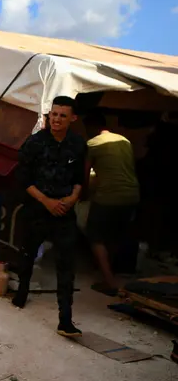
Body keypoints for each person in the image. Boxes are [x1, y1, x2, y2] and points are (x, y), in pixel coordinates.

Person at [12, 95, 87, 337]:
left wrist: (73, 197)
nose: (56, 119)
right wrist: (47, 202)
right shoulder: (35, 143)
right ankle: (21, 294)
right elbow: (23, 179)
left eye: (62, 115)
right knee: (27, 256)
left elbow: (79, 179)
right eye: (53, 114)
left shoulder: (77, 144)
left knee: (66, 266)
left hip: (64, 213)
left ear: (72, 118)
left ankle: (65, 320)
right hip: (37, 209)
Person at [82, 112, 140, 295]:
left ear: (90, 128)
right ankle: (108, 272)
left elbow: (85, 175)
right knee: (114, 236)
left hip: (108, 196)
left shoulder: (92, 144)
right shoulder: (124, 141)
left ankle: (109, 282)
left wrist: (82, 194)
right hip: (131, 195)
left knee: (95, 236)